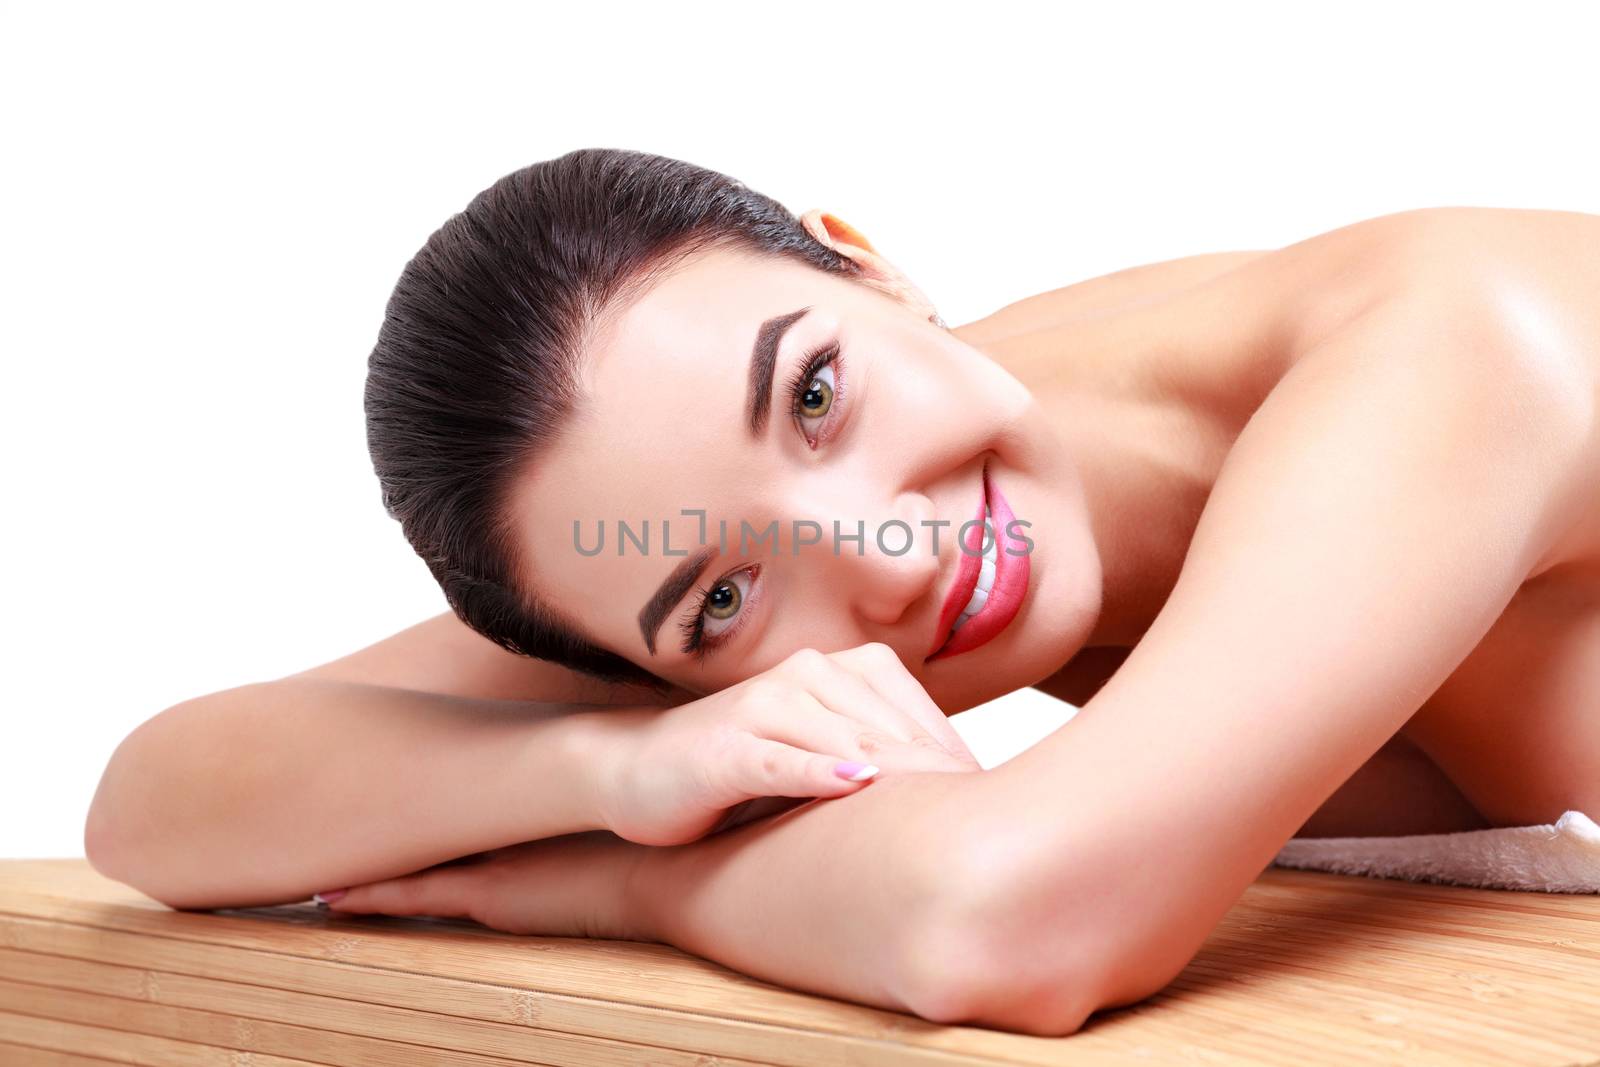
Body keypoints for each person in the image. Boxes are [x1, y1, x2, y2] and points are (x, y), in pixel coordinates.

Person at [84, 149, 1600, 1036]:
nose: (889, 556)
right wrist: (623, 767)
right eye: (720, 603)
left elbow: (1009, 918)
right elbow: (158, 807)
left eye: (814, 395)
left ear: (871, 271)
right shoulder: (701, 542)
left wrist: (613, 878)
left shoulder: (1442, 347)